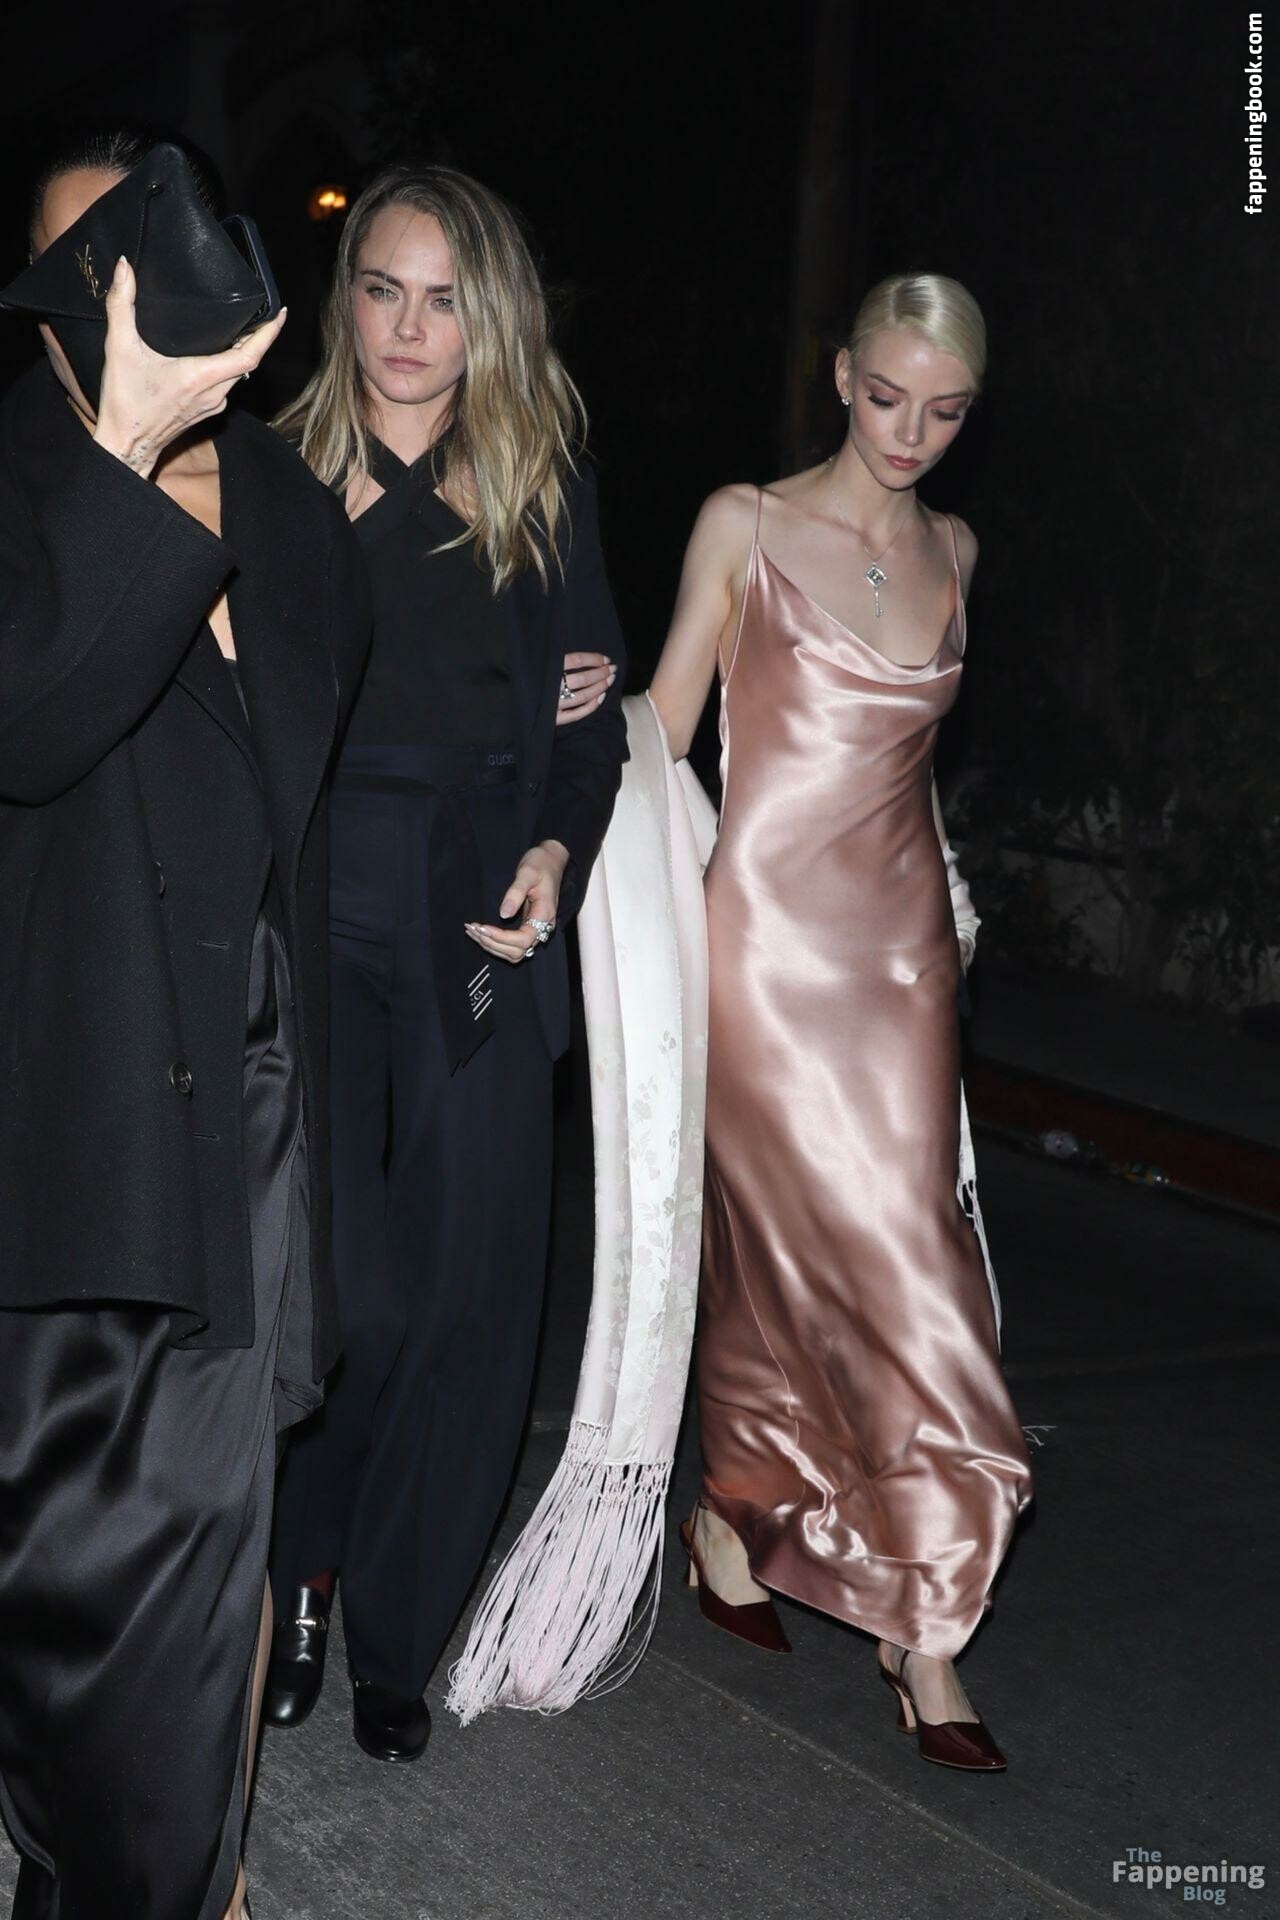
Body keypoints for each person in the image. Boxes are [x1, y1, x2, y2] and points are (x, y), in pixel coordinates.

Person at [0, 129, 370, 1919]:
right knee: (68, 1622)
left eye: (152, 250)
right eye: (89, 266)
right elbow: (30, 722)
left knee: (183, 1597)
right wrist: (123, 451)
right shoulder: (16, 478)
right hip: (61, 1138)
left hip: (243, 1125)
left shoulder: (294, 509)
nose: (125, 292)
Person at [647, 273, 1034, 1771]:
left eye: (945, 412)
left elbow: (911, 776)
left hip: (906, 968)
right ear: (838, 375)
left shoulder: (958, 549)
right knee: (798, 1258)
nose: (909, 433)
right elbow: (667, 735)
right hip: (765, 954)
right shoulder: (741, 524)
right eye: (885, 397)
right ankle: (909, 1623)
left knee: (911, 1255)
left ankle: (783, 1545)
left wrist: (953, 908)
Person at [265, 165, 627, 1761]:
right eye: (382, 291)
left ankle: (399, 1639)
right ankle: (300, 1564)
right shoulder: (272, 474)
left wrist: (555, 851)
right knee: (350, 1292)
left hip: (478, 909)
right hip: (311, 904)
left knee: (474, 1290)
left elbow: (588, 734)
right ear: (344, 300)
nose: (410, 330)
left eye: (444, 299)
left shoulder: (541, 484)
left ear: (490, 318)